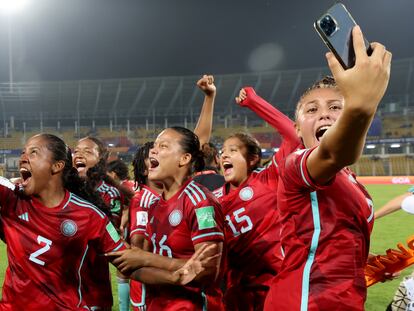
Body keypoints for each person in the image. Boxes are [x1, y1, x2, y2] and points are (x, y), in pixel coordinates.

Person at [264, 26, 392, 310]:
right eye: (311, 110)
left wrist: (363, 267)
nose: (323, 112)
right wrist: (361, 103)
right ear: (297, 128)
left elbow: (334, 244)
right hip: (301, 302)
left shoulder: (352, 181)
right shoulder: (295, 165)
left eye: (335, 107)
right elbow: (335, 153)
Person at [0, 133, 126, 310]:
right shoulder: (14, 197)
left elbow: (124, 257)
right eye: (23, 152)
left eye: (33, 152)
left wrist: (171, 268)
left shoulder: (91, 211)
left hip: (86, 293)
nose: (23, 158)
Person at [108, 126, 225, 311]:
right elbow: (135, 268)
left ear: (184, 158)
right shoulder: (154, 206)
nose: (153, 150)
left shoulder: (200, 202)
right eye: (154, 146)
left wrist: (146, 258)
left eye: (163, 146)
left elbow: (208, 269)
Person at [209, 87, 300, 311]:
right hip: (236, 292)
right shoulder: (213, 200)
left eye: (233, 150)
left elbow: (293, 135)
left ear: (252, 159)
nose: (224, 155)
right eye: (222, 151)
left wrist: (254, 101)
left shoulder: (269, 179)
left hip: (276, 286)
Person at [73, 136, 133, 311]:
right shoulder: (62, 188)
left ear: (100, 159)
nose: (79, 154)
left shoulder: (108, 193)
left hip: (92, 283)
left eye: (87, 151)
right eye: (76, 151)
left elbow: (108, 235)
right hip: (62, 282)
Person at [128, 141, 162, 311]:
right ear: (144, 170)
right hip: (147, 292)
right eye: (153, 156)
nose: (159, 156)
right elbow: (138, 244)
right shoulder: (143, 200)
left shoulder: (168, 197)